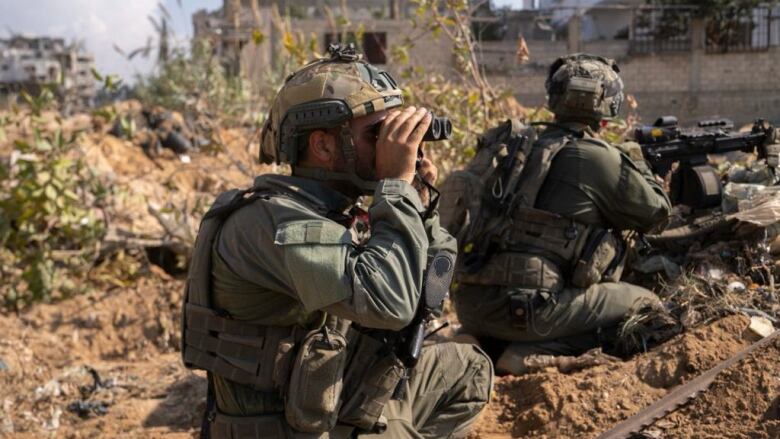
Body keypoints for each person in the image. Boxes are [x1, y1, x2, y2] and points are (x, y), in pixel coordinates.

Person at [181, 44, 492, 439]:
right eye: (376, 134)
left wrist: (417, 201)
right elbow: (392, 304)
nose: (391, 146)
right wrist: (395, 188)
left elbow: (429, 292)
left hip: (336, 402)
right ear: (324, 146)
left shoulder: (336, 210)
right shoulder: (272, 223)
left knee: (470, 369)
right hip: (286, 429)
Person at [443, 53, 672, 375]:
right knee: (647, 305)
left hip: (471, 303)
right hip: (530, 311)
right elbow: (657, 214)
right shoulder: (598, 157)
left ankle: (480, 341)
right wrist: (639, 162)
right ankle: (531, 354)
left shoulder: (510, 146)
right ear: (609, 106)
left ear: (554, 97)